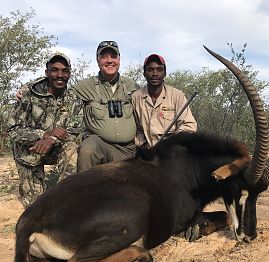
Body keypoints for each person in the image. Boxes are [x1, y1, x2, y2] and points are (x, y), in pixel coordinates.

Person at [8, 52, 83, 208]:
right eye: (54, 70)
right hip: (29, 150)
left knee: (72, 149)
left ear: (69, 74)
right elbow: (13, 128)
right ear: (46, 72)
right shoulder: (28, 95)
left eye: (64, 70)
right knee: (35, 208)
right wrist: (43, 135)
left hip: (56, 149)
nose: (60, 75)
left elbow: (76, 130)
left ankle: (65, 201)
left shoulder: (74, 99)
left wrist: (52, 139)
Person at [72, 41, 139, 172]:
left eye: (113, 56)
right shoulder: (85, 86)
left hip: (129, 148)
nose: (109, 61)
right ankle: (85, 190)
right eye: (104, 57)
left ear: (119, 59)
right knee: (87, 149)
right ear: (97, 60)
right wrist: (26, 89)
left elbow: (152, 95)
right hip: (100, 144)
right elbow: (60, 89)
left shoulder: (132, 85)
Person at [132, 54, 197, 148]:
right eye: (150, 70)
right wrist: (143, 144)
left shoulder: (177, 95)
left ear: (165, 73)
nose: (155, 73)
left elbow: (189, 126)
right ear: (144, 74)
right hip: (147, 151)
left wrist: (171, 143)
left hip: (172, 151)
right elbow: (136, 129)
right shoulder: (136, 97)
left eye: (159, 69)